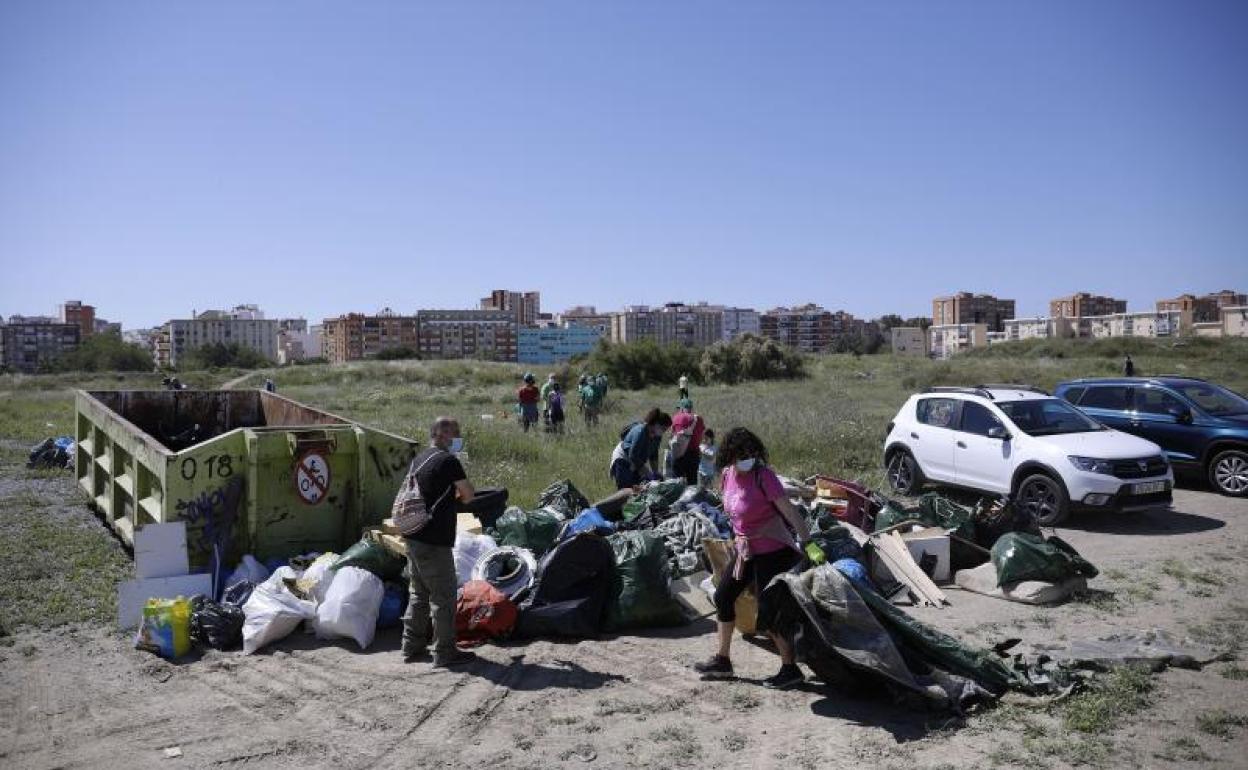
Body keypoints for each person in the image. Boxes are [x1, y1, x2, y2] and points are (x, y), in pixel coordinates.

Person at [694, 427, 811, 690]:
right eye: (742, 454)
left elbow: (789, 511)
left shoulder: (764, 476)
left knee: (768, 611)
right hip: (745, 550)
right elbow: (733, 513)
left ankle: (790, 669)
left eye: (752, 453)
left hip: (773, 551)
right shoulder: (727, 476)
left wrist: (808, 541)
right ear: (731, 455)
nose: (748, 458)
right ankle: (722, 661)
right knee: (723, 596)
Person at [401, 417, 477, 667]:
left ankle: (411, 647)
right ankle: (445, 652)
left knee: (418, 593)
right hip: (434, 539)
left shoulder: (420, 459)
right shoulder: (448, 461)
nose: (459, 439)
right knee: (443, 596)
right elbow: (468, 495)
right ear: (444, 435)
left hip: (413, 534)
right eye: (457, 434)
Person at [610, 408, 672, 489]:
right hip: (622, 458)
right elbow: (633, 455)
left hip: (635, 461)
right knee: (626, 489)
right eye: (663, 429)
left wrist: (655, 473)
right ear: (656, 424)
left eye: (666, 430)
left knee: (639, 488)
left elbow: (653, 455)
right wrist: (648, 473)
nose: (664, 431)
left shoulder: (657, 436)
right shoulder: (640, 431)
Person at [668, 398, 705, 485]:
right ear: (691, 408)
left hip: (680, 454)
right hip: (694, 454)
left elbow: (673, 436)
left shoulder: (678, 417)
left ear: (681, 408)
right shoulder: (699, 419)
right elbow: (701, 435)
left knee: (678, 484)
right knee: (692, 484)